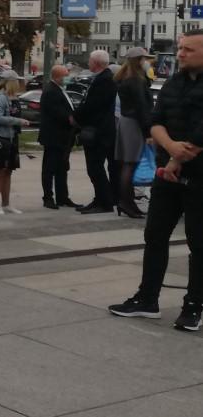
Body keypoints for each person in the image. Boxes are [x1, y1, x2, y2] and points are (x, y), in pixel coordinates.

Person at [108, 29, 203, 332]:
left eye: (188, 49)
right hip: (168, 173)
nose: (181, 54)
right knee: (155, 235)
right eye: (180, 48)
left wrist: (177, 156)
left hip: (198, 174)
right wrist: (170, 148)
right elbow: (155, 119)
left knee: (198, 242)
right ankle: (147, 299)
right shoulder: (174, 82)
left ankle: (193, 306)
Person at [73, 50, 118, 215]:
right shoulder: (103, 78)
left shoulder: (105, 81)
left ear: (97, 63)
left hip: (99, 132)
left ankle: (105, 202)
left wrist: (75, 116)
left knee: (95, 167)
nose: (88, 63)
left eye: (90, 60)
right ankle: (100, 199)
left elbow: (92, 106)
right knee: (94, 168)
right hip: (100, 130)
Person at [114, 47, 156, 219]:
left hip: (127, 122)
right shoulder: (136, 81)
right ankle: (126, 203)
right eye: (144, 59)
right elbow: (142, 107)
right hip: (134, 124)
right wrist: (148, 132)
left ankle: (127, 202)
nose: (146, 62)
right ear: (139, 60)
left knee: (127, 164)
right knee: (130, 164)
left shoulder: (125, 78)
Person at [38, 65, 78, 210]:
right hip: (53, 137)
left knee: (62, 168)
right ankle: (48, 197)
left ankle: (63, 197)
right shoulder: (51, 91)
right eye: (65, 75)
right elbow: (59, 114)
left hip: (63, 137)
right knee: (50, 168)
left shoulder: (60, 90)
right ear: (57, 77)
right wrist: (72, 119)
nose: (68, 77)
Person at [0, 73, 29, 214]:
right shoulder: (0, 98)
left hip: (12, 138)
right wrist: (17, 121)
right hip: (1, 138)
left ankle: (6, 204)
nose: (18, 84)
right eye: (16, 81)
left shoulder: (13, 98)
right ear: (10, 82)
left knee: (8, 171)